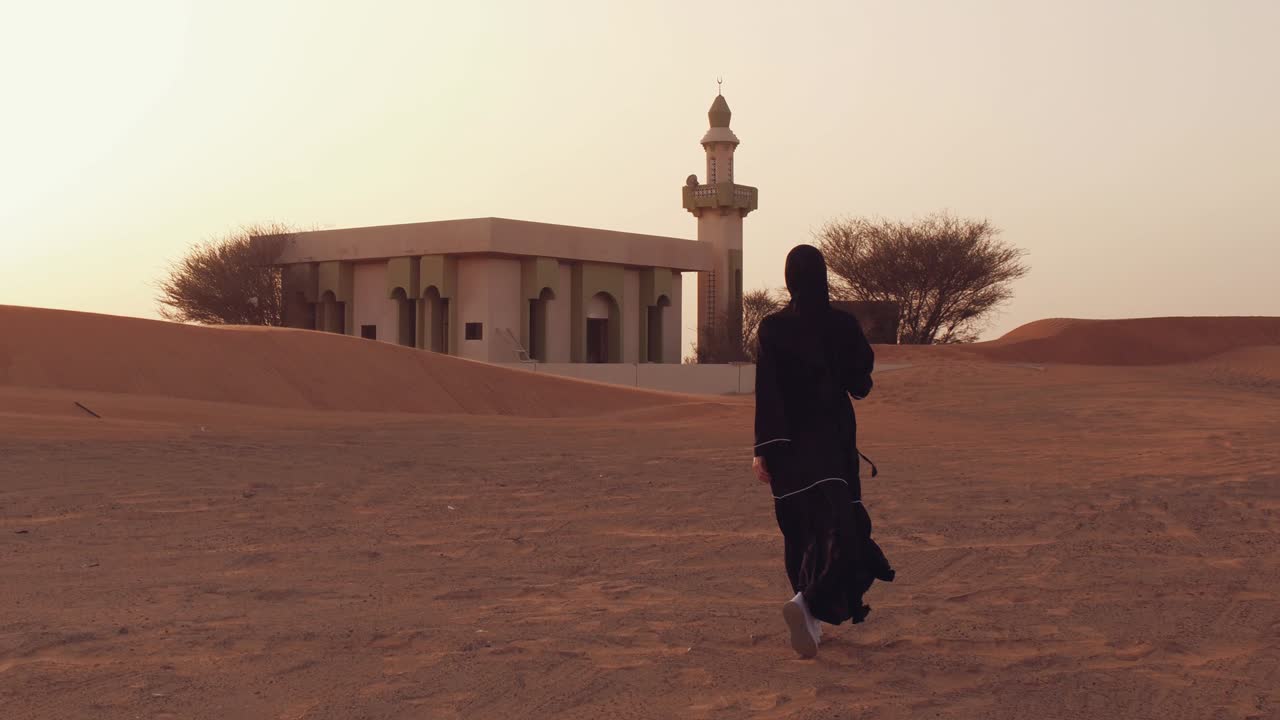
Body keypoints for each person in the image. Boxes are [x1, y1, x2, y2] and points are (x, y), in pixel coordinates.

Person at [752, 244, 895, 658]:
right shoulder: (842, 325)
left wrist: (763, 450)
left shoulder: (772, 328)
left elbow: (768, 392)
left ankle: (808, 616)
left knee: (800, 533)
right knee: (846, 532)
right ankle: (809, 604)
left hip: (786, 450)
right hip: (830, 445)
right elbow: (860, 384)